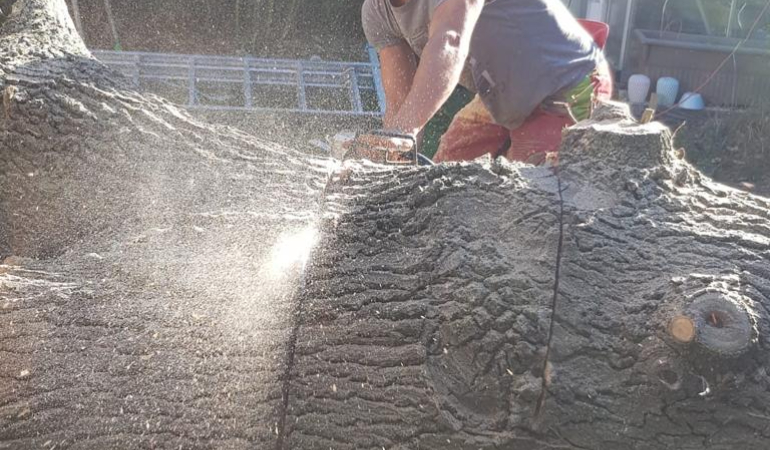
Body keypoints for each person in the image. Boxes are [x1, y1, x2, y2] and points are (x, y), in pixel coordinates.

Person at [361, 0, 613, 164]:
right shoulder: (377, 12)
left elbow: (449, 42)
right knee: (445, 176)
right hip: (502, 95)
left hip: (566, 82)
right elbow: (400, 105)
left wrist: (402, 132)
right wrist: (387, 154)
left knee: (529, 198)